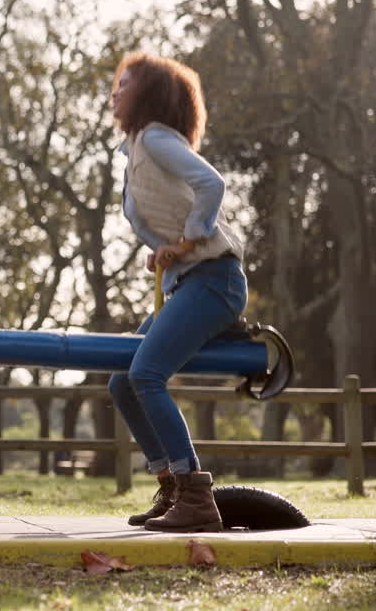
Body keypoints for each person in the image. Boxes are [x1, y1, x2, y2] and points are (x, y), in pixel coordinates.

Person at [106, 52, 246, 533]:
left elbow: (212, 183)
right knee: (121, 382)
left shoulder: (156, 139)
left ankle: (195, 495)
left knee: (145, 374)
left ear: (146, 94)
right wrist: (166, 249)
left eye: (124, 84)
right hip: (187, 281)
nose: (115, 92)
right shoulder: (135, 151)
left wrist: (189, 237)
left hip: (215, 281)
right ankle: (170, 486)